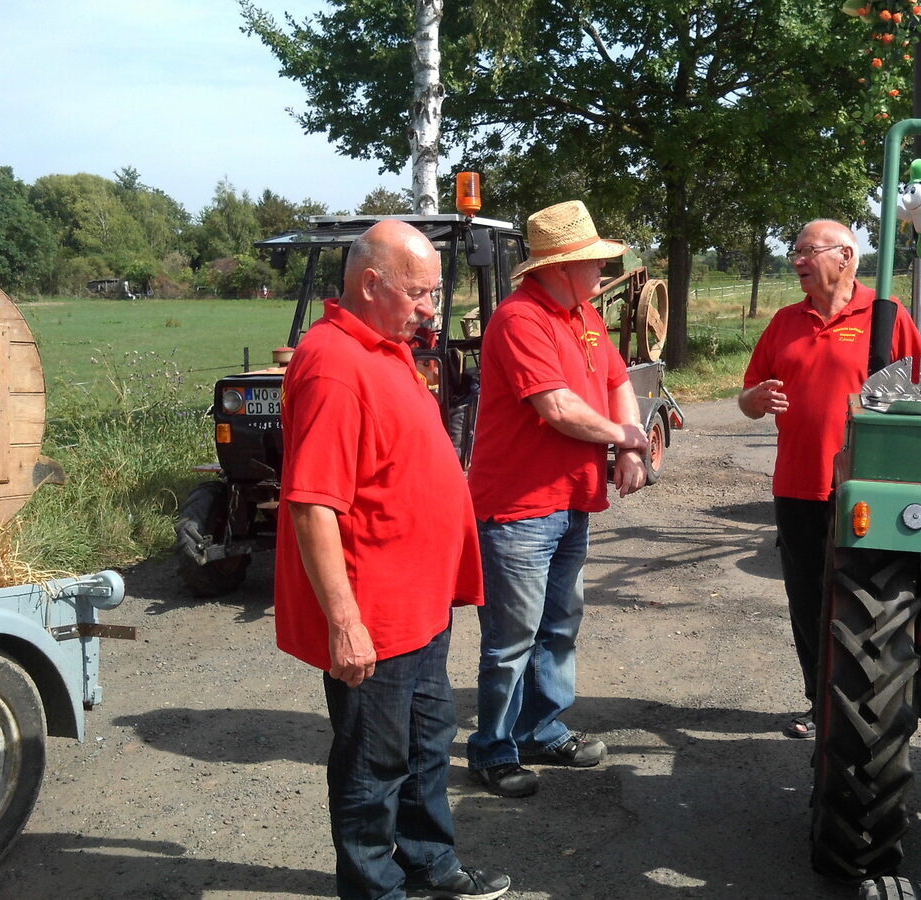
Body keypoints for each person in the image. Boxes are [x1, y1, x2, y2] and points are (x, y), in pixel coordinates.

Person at [274, 219, 511, 900]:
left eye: (434, 293)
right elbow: (313, 504)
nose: (431, 308)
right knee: (372, 765)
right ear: (371, 283)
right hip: (376, 616)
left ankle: (429, 861)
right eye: (419, 293)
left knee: (428, 744)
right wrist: (345, 623)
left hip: (420, 606)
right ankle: (373, 888)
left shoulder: (384, 348)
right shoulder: (333, 365)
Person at [465, 200, 650, 798]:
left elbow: (618, 381)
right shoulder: (520, 319)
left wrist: (627, 445)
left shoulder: (583, 313)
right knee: (512, 639)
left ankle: (539, 730)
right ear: (561, 267)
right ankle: (492, 750)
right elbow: (558, 407)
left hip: (570, 501)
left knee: (559, 626)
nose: (602, 269)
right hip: (519, 507)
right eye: (593, 260)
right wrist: (625, 438)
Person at [738, 219, 921, 740]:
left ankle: (878, 700)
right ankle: (821, 702)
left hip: (868, 490)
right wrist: (755, 399)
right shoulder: (785, 321)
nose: (797, 261)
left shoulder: (885, 317)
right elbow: (748, 398)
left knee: (870, 601)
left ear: (845, 255)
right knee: (808, 602)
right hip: (797, 485)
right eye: (795, 251)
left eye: (808, 251)